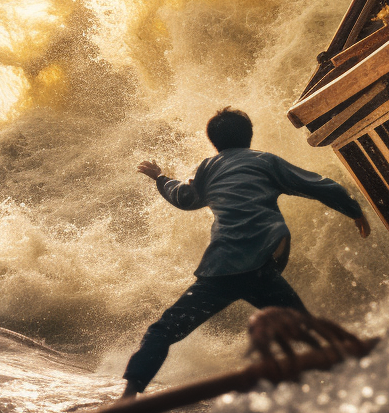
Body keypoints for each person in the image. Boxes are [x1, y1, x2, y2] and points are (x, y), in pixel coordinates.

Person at [121, 107, 371, 396]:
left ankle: (128, 396)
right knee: (306, 332)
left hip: (219, 272)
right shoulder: (266, 162)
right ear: (249, 136)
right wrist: (353, 210)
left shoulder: (208, 168)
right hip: (261, 268)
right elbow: (316, 185)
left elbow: (184, 197)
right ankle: (347, 387)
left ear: (213, 141)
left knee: (162, 332)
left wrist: (160, 178)